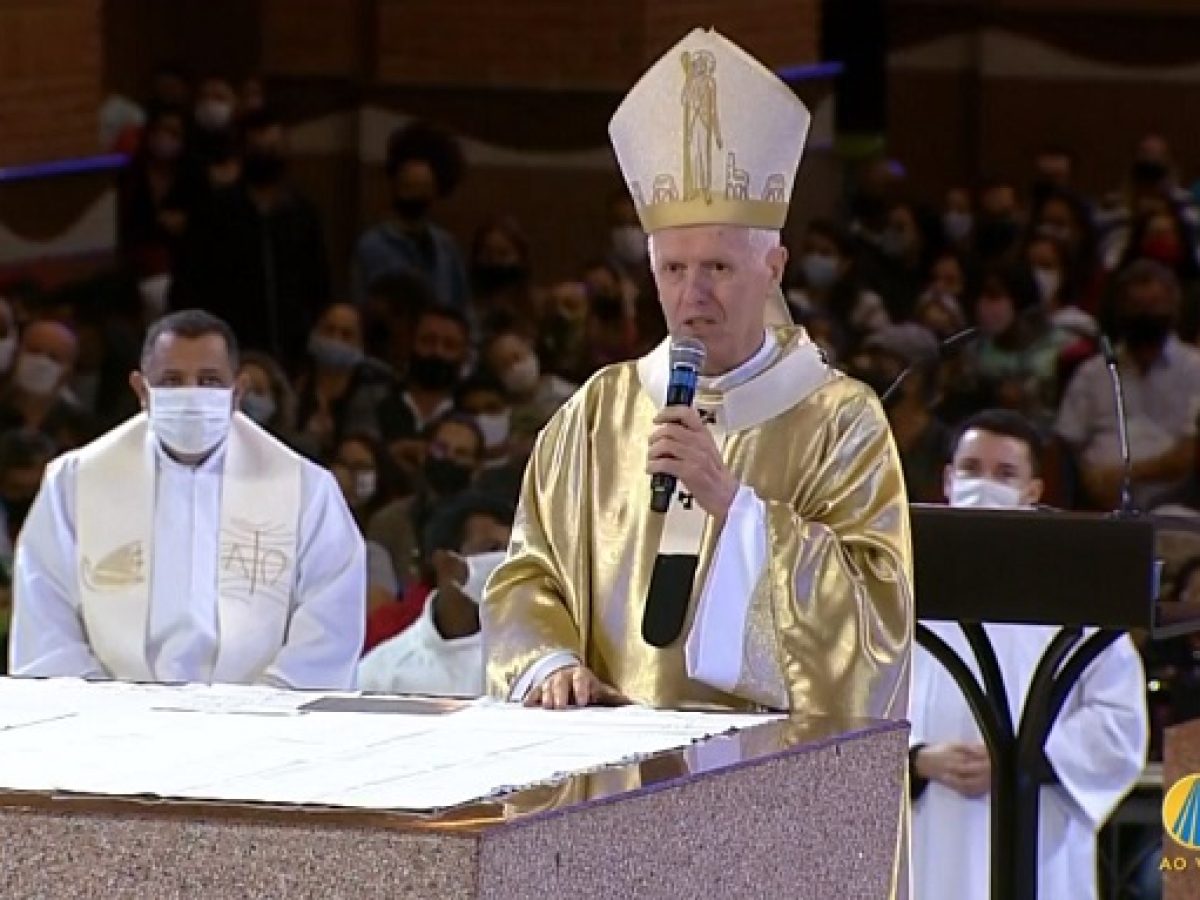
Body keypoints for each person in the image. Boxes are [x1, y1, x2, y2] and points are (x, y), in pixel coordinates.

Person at [483, 29, 912, 724]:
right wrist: (551, 661)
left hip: (762, 765)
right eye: (674, 269)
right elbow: (528, 574)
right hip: (606, 754)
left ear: (772, 269)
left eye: (717, 267)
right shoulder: (599, 410)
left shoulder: (840, 421)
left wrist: (736, 508)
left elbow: (875, 620)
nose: (693, 295)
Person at [9, 310, 365, 688]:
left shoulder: (305, 487)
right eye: (172, 381)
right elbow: (45, 610)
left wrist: (262, 707)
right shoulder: (75, 480)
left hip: (261, 715)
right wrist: (104, 709)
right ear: (142, 390)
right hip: (109, 715)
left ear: (237, 391)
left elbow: (331, 614)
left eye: (209, 381)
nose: (191, 395)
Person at [910, 409, 1147, 900]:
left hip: (1038, 820)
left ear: (1033, 491)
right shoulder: (895, 590)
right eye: (971, 469)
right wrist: (915, 759)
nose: (984, 485)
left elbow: (1118, 720)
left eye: (1004, 474)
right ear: (948, 481)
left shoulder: (1078, 598)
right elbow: (849, 706)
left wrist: (1024, 759)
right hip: (926, 822)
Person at [359, 493, 513, 696]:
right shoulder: (380, 673)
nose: (506, 560)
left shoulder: (534, 661)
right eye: (493, 549)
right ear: (445, 562)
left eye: (512, 551)